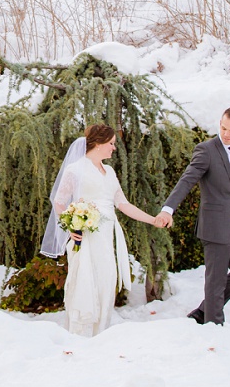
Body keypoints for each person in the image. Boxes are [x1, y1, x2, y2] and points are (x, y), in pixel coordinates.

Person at [42, 124, 163, 336]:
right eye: (111, 144)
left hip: (107, 237)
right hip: (87, 238)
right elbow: (59, 202)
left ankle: (101, 334)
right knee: (86, 284)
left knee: (107, 281)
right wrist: (71, 226)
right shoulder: (76, 169)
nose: (114, 148)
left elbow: (123, 204)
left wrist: (152, 220)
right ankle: (80, 336)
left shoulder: (110, 172)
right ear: (98, 144)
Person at [155, 107, 230, 326]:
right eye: (223, 128)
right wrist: (168, 209)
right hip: (214, 227)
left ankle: (203, 311)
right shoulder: (206, 150)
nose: (226, 134)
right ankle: (214, 326)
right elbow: (187, 180)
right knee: (215, 282)